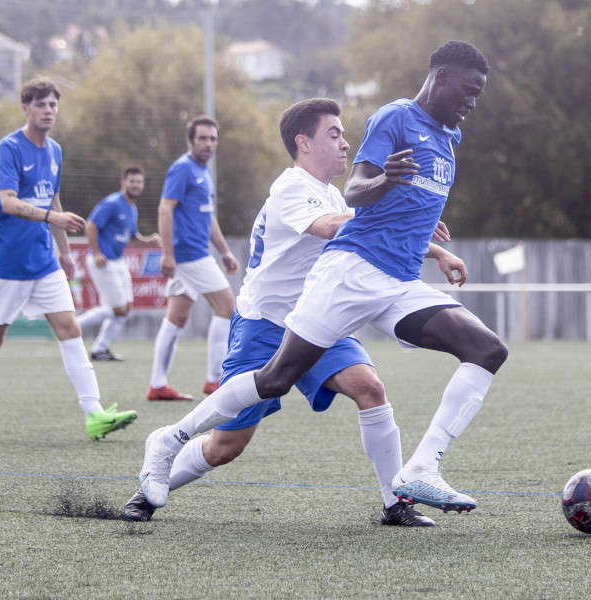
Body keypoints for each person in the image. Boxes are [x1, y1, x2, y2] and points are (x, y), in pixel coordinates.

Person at [136, 40, 507, 516]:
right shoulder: (293, 187)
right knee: (237, 431)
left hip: (366, 293)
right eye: (334, 134)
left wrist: (429, 245)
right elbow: (339, 223)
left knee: (409, 375)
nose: (346, 141)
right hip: (271, 318)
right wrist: (391, 196)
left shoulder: (337, 190)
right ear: (304, 144)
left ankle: (405, 491)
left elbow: (361, 215)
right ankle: (169, 442)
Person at [0, 78, 138, 442]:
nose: (48, 111)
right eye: (41, 105)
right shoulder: (9, 148)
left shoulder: (55, 150)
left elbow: (52, 198)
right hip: (7, 260)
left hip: (44, 260)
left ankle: (94, 413)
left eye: (53, 105)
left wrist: (65, 252)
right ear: (26, 108)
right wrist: (54, 220)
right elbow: (8, 202)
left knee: (69, 328)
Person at [147, 116, 240, 401]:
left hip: (195, 253)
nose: (209, 143)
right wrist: (168, 254)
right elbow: (165, 209)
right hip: (188, 254)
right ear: (190, 141)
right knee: (227, 306)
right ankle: (215, 379)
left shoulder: (203, 172)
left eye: (213, 139)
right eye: (202, 138)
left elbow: (208, 216)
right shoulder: (183, 169)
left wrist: (224, 251)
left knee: (176, 317)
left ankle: (157, 385)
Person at [76, 167, 162, 361]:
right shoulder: (113, 203)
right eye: (132, 181)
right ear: (124, 183)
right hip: (103, 261)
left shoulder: (132, 208)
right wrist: (97, 252)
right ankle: (72, 325)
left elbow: (132, 237)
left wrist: (148, 241)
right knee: (118, 308)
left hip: (118, 260)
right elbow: (91, 225)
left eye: (139, 182)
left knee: (126, 308)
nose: (136, 185)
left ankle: (100, 349)